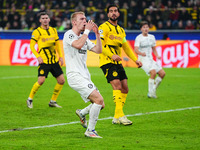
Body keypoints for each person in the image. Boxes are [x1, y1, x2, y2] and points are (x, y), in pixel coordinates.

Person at [98, 4, 142, 126]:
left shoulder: (121, 30)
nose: (113, 13)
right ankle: (121, 115)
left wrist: (135, 59)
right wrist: (111, 55)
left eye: (115, 11)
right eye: (111, 11)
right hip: (107, 62)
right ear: (108, 14)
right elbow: (99, 46)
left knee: (125, 88)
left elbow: (126, 47)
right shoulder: (104, 27)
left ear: (118, 13)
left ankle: (116, 116)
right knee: (116, 86)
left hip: (117, 62)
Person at [63, 12, 105, 138]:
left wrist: (97, 35)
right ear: (74, 22)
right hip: (74, 75)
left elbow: (98, 50)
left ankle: (82, 113)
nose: (85, 21)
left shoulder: (84, 37)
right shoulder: (69, 34)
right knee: (99, 100)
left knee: (100, 105)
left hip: (84, 76)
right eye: (82, 19)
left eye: (85, 19)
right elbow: (77, 44)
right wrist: (87, 32)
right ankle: (90, 131)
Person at [26, 12, 65, 108]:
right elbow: (31, 46)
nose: (45, 19)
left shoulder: (53, 30)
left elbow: (57, 44)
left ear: (49, 19)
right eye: (43, 18)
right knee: (41, 80)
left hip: (54, 61)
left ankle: (53, 101)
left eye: (46, 18)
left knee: (61, 80)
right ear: (40, 20)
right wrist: (38, 56)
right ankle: (30, 99)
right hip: (44, 61)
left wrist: (60, 56)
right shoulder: (37, 32)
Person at [134, 21, 166, 98]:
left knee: (162, 73)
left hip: (150, 59)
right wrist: (141, 53)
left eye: (147, 27)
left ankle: (153, 90)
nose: (146, 29)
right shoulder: (139, 38)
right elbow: (136, 49)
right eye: (144, 27)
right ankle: (151, 93)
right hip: (143, 60)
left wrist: (157, 55)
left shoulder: (152, 37)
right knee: (153, 72)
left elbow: (154, 48)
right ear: (141, 29)